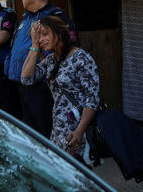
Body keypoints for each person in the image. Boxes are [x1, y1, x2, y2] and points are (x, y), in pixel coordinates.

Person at [5, 0, 75, 138]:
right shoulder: (26, 17)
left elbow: (67, 51)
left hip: (42, 89)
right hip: (21, 87)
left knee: (44, 136)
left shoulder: (54, 17)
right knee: (29, 137)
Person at [21, 16, 99, 161]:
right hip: (58, 129)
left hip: (77, 131)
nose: (41, 39)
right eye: (39, 36)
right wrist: (34, 45)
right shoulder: (51, 60)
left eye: (45, 34)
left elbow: (92, 100)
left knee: (78, 177)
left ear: (59, 33)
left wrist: (79, 131)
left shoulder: (81, 58)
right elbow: (26, 78)